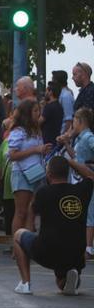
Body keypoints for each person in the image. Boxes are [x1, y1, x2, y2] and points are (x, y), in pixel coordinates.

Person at [13, 156, 91, 295]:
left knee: (18, 235)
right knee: (62, 281)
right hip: (76, 253)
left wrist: (30, 228)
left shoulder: (43, 192)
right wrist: (70, 162)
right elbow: (90, 175)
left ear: (49, 174)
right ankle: (71, 276)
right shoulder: (81, 190)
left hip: (48, 250)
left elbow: (32, 210)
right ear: (67, 172)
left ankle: (25, 283)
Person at [8, 100, 50, 234]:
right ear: (27, 113)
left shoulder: (36, 130)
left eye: (39, 110)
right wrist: (35, 150)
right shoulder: (19, 131)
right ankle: (17, 244)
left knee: (32, 211)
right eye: (35, 111)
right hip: (22, 173)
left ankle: (28, 242)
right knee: (21, 211)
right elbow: (12, 155)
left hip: (35, 173)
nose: (39, 114)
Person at [59, 108, 94, 260]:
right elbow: (77, 156)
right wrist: (67, 144)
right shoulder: (81, 139)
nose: (72, 125)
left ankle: (88, 248)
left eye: (74, 121)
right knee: (84, 210)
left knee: (90, 213)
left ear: (80, 121)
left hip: (88, 179)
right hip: (80, 180)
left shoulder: (88, 137)